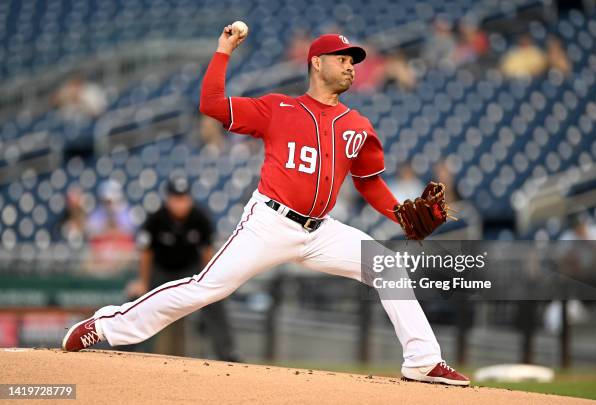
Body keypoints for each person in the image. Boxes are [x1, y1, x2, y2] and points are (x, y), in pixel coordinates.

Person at [62, 26, 469, 386]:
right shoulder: (278, 108)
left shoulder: (357, 125)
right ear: (316, 63)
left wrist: (399, 213)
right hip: (269, 223)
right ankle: (106, 325)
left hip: (322, 230)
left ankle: (423, 361)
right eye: (342, 59)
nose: (350, 67)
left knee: (388, 267)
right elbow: (212, 105)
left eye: (353, 61)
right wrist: (223, 51)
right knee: (205, 288)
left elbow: (368, 181)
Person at [125, 176, 240, 360]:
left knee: (216, 300)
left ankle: (228, 354)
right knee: (138, 299)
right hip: (161, 271)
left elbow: (207, 253)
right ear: (168, 199)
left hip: (190, 271)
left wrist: (209, 283)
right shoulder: (156, 219)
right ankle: (122, 351)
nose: (180, 204)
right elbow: (146, 254)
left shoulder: (200, 218)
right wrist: (143, 282)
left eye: (184, 198)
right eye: (176, 199)